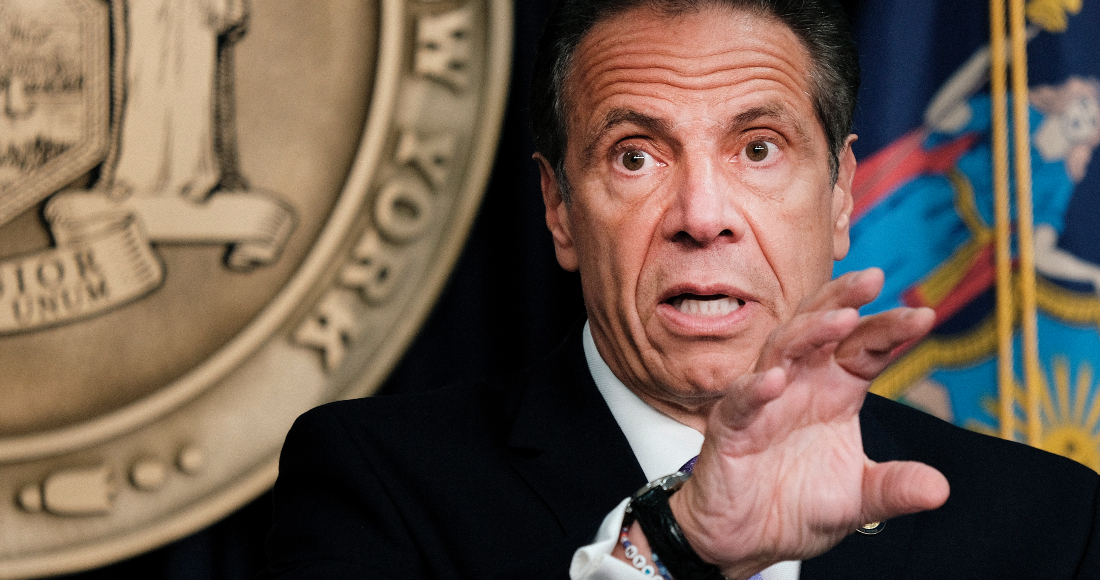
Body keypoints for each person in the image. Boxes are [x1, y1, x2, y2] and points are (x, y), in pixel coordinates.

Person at [260, 1, 1100, 579]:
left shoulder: (1048, 522)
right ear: (559, 209)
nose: (703, 217)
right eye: (636, 157)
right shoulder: (377, 484)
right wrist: (670, 548)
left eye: (758, 149)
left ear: (842, 195)